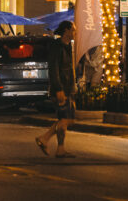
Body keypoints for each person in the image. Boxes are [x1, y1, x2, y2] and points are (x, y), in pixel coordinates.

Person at [35, 20, 77, 159]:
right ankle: (45, 138)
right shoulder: (57, 47)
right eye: (73, 30)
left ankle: (60, 148)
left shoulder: (67, 47)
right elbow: (54, 70)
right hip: (60, 88)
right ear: (66, 31)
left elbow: (69, 69)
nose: (75, 33)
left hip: (67, 88)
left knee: (67, 119)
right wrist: (58, 89)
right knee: (65, 119)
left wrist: (72, 87)